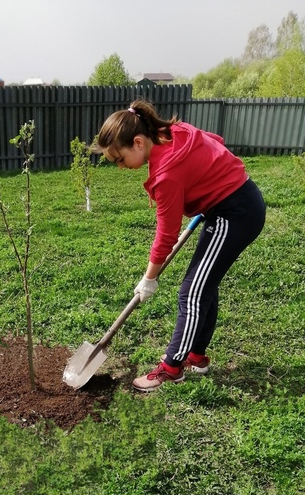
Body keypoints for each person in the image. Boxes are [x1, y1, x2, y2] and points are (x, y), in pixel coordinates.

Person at [91, 99, 266, 392]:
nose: (120, 167)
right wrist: (204, 182)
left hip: (235, 213)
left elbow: (166, 235)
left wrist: (148, 279)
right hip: (234, 202)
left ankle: (172, 367)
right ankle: (196, 357)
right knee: (203, 285)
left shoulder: (167, 174)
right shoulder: (174, 132)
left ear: (137, 142)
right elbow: (214, 141)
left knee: (192, 292)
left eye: (119, 159)